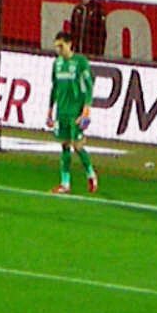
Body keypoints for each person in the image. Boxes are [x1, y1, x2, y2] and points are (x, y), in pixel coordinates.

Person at [46, 30, 97, 194]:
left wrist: (86, 111)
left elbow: (89, 87)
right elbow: (54, 87)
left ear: (70, 44)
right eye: (56, 47)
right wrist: (49, 110)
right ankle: (65, 183)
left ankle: (91, 174)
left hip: (76, 112)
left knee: (78, 146)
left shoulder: (81, 62)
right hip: (62, 112)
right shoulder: (57, 64)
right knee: (64, 145)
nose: (58, 50)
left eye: (61, 46)